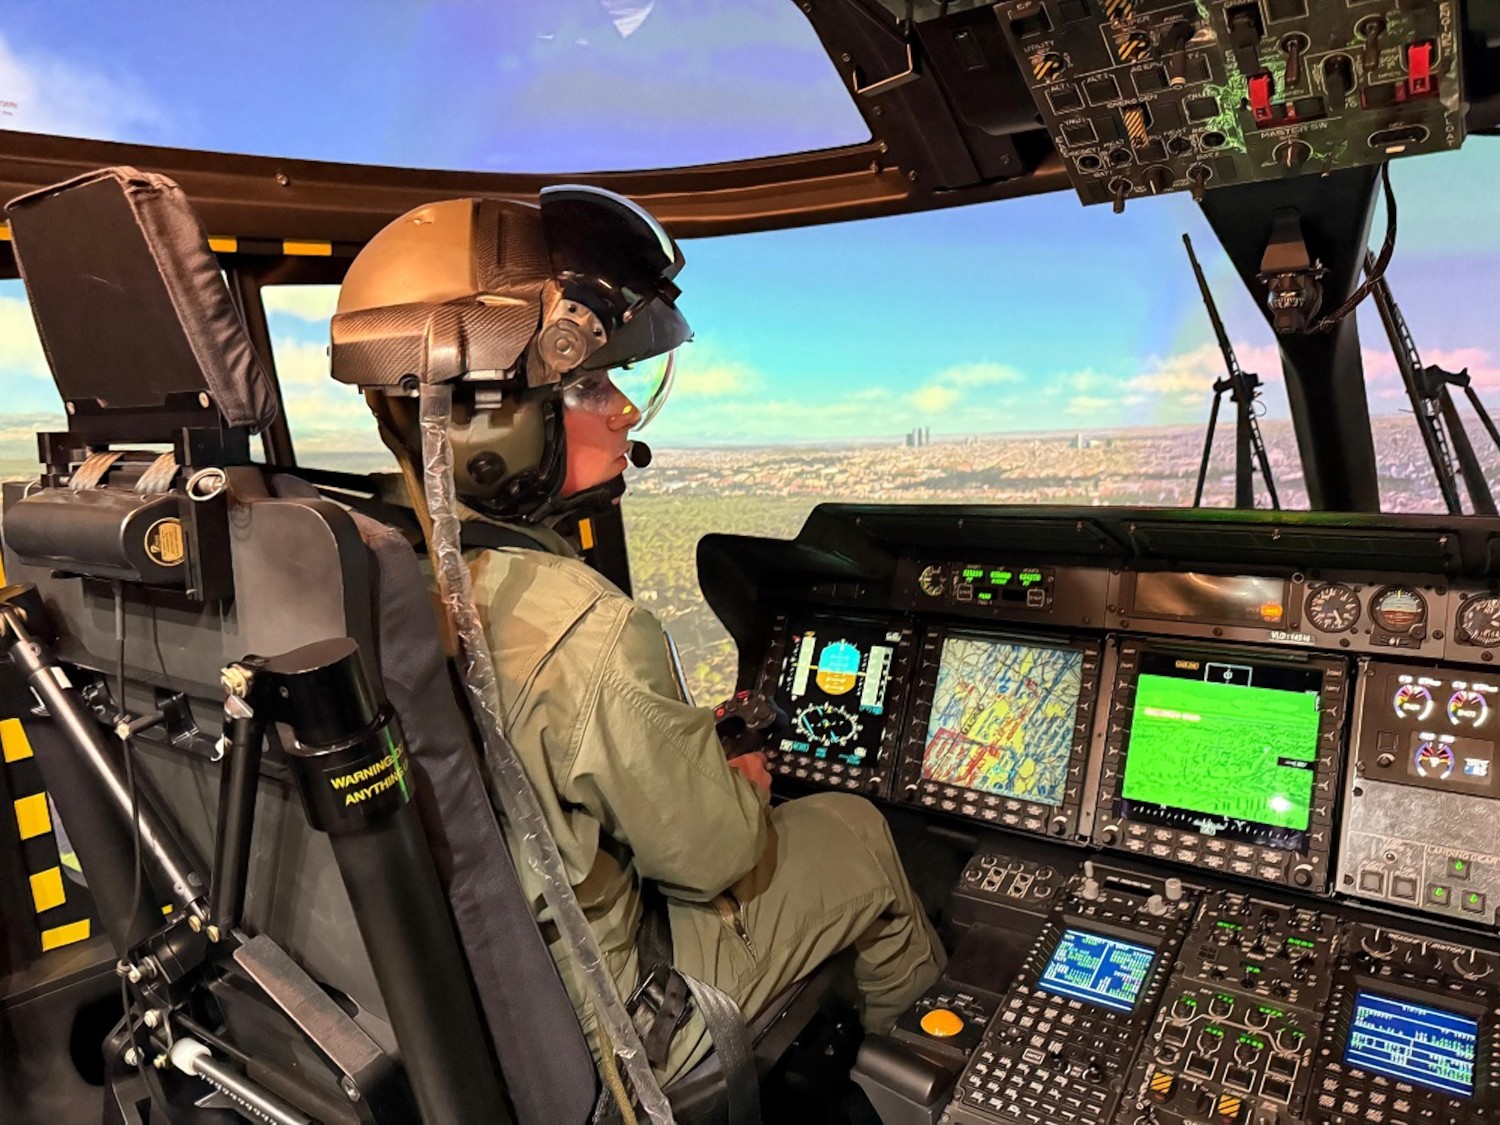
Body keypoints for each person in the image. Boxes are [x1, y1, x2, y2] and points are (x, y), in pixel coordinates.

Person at [329, 185, 944, 1081]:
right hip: (614, 1027)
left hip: (461, 1016)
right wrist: (738, 784)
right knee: (855, 831)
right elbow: (713, 858)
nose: (620, 408)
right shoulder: (584, 631)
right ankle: (912, 1081)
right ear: (484, 420)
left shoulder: (362, 568)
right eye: (587, 382)